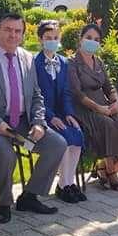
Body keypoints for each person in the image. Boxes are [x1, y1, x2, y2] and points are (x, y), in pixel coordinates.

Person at [0, 13, 65, 222]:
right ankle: (4, 202)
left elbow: (37, 95)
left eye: (17, 31)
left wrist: (39, 122)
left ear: (22, 34)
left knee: (56, 144)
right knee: (7, 156)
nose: (13, 35)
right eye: (7, 30)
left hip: (23, 124)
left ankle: (29, 196)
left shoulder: (27, 57)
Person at [68, 23, 118, 189]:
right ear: (80, 39)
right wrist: (98, 108)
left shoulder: (99, 62)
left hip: (105, 105)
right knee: (108, 124)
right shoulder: (72, 63)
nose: (92, 42)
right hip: (84, 108)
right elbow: (77, 93)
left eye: (96, 39)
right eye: (88, 38)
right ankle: (110, 172)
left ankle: (103, 167)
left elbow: (109, 86)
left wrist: (116, 101)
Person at [33, 20, 86, 203]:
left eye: (55, 38)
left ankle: (68, 182)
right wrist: (51, 117)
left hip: (61, 113)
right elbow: (35, 94)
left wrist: (69, 113)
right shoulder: (34, 63)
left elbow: (65, 92)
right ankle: (62, 185)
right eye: (48, 38)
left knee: (77, 135)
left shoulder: (63, 62)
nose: (52, 41)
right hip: (43, 115)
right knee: (64, 138)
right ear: (40, 39)